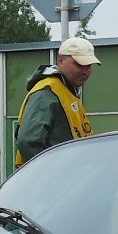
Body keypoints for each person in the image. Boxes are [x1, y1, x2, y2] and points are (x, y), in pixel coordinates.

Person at [14, 36, 100, 167]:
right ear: (60, 61)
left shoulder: (66, 91)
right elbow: (28, 140)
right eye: (79, 64)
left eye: (89, 66)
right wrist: (51, 173)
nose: (85, 71)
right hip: (50, 180)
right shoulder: (47, 92)